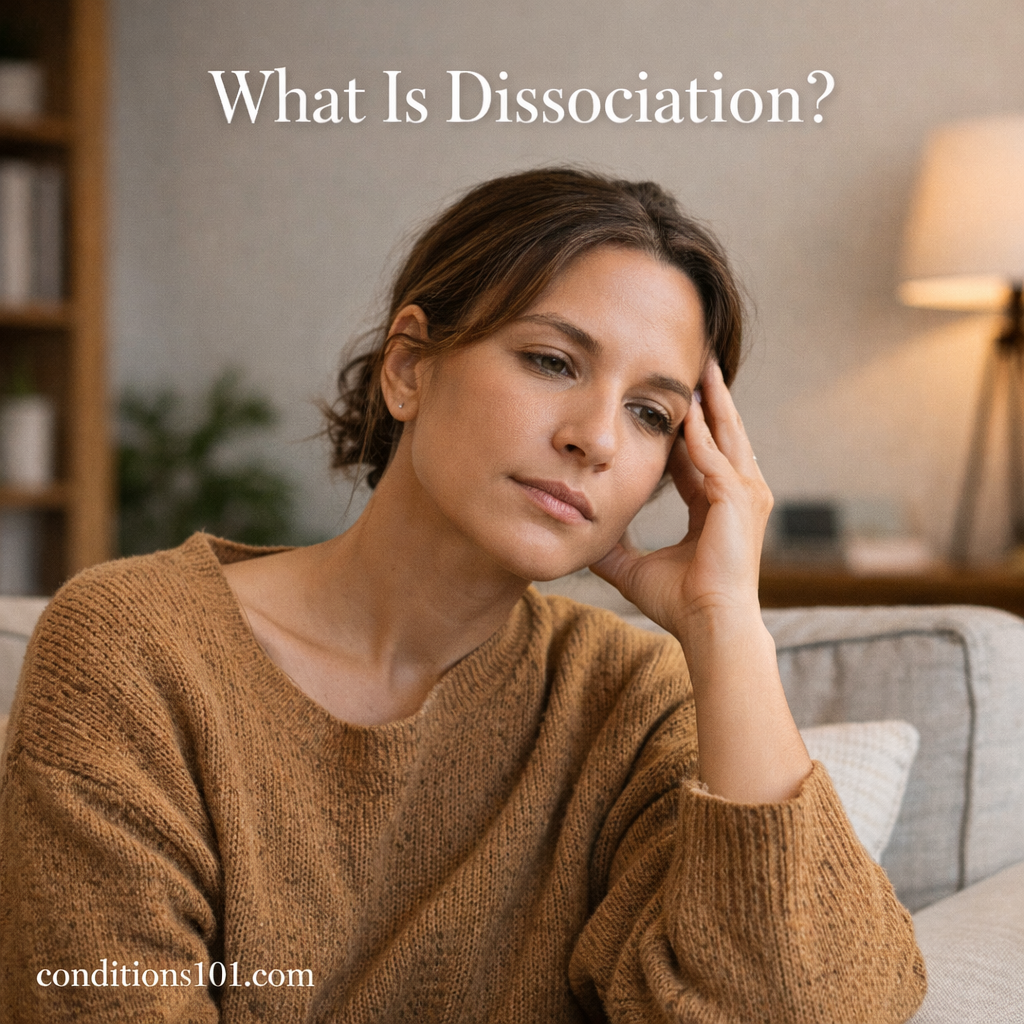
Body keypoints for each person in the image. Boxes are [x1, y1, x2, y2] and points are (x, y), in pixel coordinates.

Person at [0, 168, 926, 1022]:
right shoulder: (133, 646)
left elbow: (819, 1009)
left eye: (653, 414)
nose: (596, 438)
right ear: (407, 366)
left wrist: (726, 628)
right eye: (552, 361)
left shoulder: (632, 699)